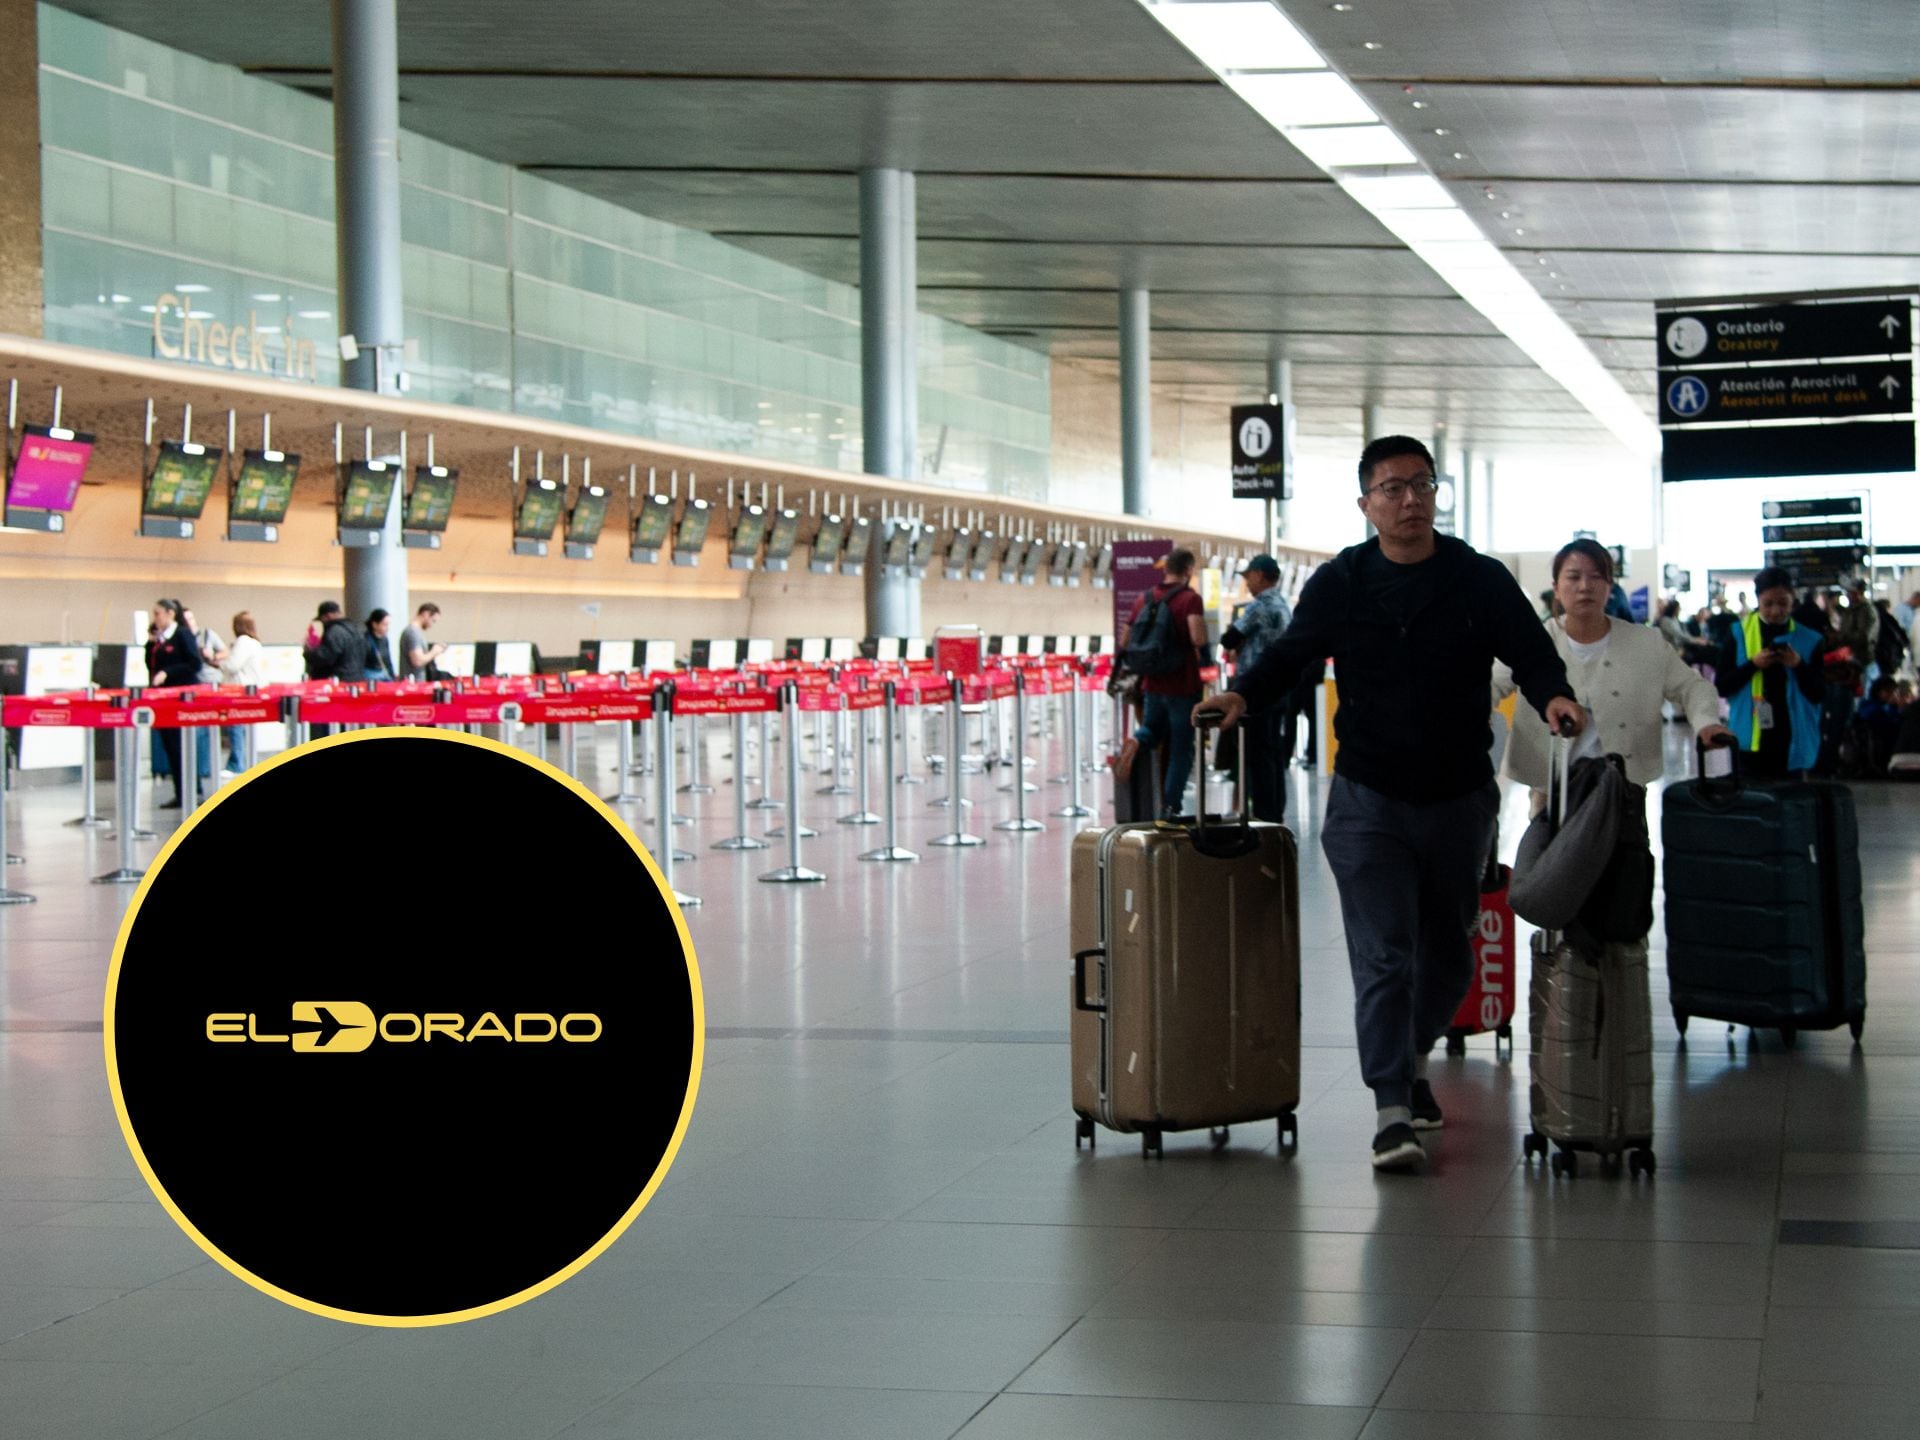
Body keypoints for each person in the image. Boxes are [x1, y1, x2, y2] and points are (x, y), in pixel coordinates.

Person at [1195, 435, 1585, 1173]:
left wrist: (1555, 696)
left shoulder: (1476, 578)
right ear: (1366, 504)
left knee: (1449, 959)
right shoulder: (1343, 581)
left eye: (1422, 485)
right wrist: (1243, 694)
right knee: (1384, 953)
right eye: (1393, 488)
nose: (1410, 500)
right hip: (1368, 799)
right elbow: (1291, 655)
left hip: (1459, 798)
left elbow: (1532, 652)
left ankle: (1410, 1059)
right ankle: (1391, 1111)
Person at [1495, 539, 1727, 814]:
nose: (1585, 586)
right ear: (1556, 588)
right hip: (1551, 789)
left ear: (1610, 587)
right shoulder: (1533, 641)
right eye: (1574, 577)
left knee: (1627, 843)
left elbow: (1692, 686)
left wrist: (1706, 722)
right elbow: (1492, 683)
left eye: (1596, 577)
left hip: (1625, 790)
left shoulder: (1645, 643)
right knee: (1549, 842)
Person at [1116, 547, 1209, 818]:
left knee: (1152, 731)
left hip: (1152, 684)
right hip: (1183, 684)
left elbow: (1125, 640)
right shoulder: (1190, 599)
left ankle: (1137, 740)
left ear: (1166, 569)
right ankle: (1170, 806)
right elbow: (1198, 637)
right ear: (1188, 570)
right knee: (1181, 748)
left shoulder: (1143, 598)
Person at [1716, 567, 1825, 779]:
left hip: (1793, 741)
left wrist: (1798, 665)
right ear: (1757, 599)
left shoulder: (1810, 640)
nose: (1776, 611)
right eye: (1768, 604)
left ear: (1793, 599)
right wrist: (1753, 664)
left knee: (1791, 796)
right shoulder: (1738, 634)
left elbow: (1818, 693)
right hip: (1750, 741)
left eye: (1783, 603)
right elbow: (1722, 686)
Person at [1218, 554, 1292, 821]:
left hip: (1256, 691)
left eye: (1249, 576)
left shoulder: (1260, 606)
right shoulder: (1283, 605)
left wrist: (1235, 640)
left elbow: (1229, 638)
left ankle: (1263, 814)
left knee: (1257, 754)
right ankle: (1275, 812)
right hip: (1280, 687)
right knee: (1273, 752)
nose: (1247, 583)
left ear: (1260, 575)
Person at [145, 598, 203, 810]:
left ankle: (192, 790)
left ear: (170, 613)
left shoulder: (182, 635)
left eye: (158, 614)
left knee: (181, 746)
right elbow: (151, 665)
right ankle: (180, 791)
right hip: (162, 699)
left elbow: (194, 663)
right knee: (170, 746)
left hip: (180, 699)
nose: (156, 618)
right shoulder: (160, 639)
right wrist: (150, 643)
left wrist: (168, 672)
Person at [219, 612, 264, 772]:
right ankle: (241, 762)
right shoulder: (255, 643)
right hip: (251, 691)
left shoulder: (242, 641)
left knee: (236, 728)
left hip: (239, 691)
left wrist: (218, 662)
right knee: (244, 730)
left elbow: (232, 665)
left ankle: (236, 764)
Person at [401, 602, 447, 681]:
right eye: (433, 620)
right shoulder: (413, 633)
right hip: (413, 683)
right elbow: (417, 661)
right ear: (426, 614)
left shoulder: (416, 632)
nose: (432, 625)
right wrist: (434, 651)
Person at [365, 609, 397, 683]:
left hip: (383, 674)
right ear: (374, 625)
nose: (387, 628)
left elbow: (388, 660)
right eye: (384, 624)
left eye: (388, 624)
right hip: (369, 676)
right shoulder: (366, 640)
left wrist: (392, 677)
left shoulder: (385, 639)